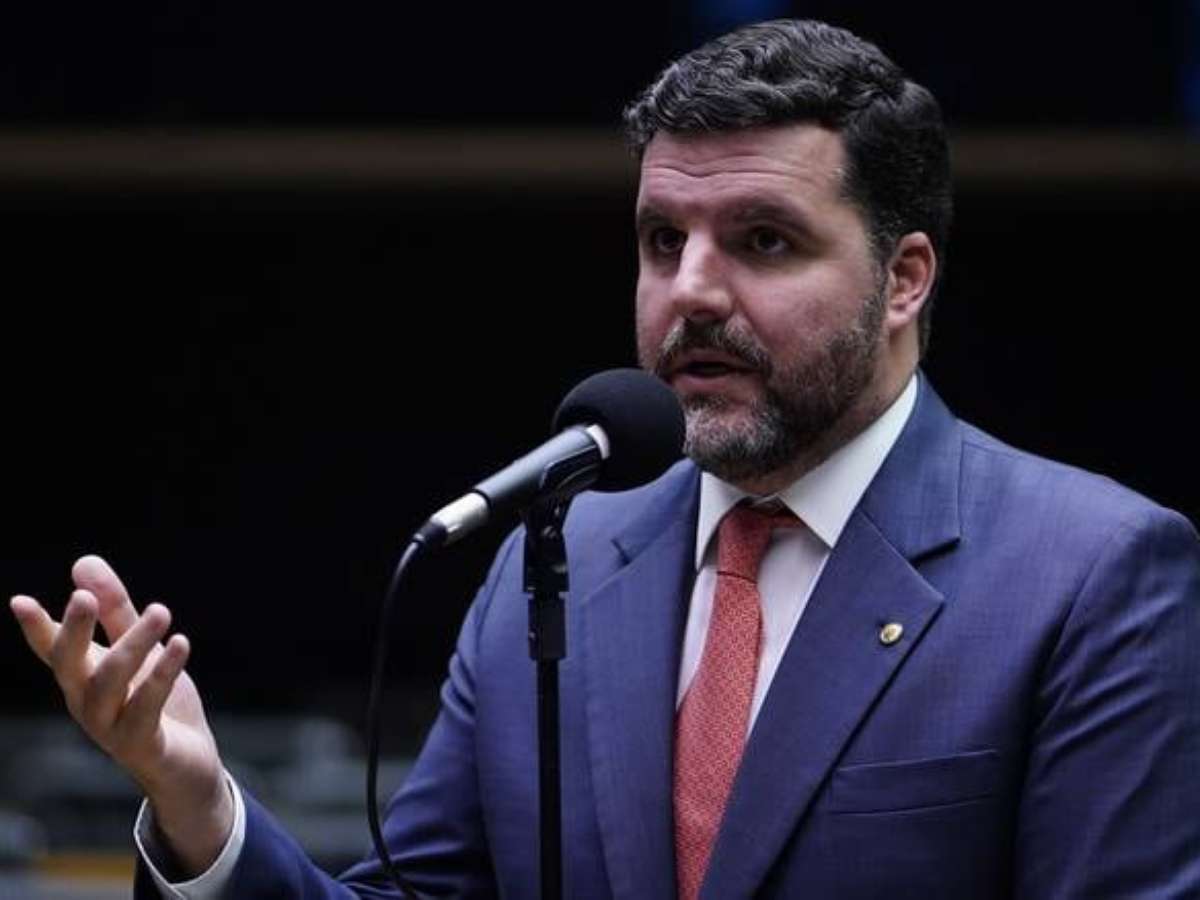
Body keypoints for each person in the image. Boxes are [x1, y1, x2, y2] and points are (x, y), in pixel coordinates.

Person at [11, 18, 1200, 899]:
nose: (692, 292)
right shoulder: (562, 555)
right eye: (662, 240)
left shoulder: (1091, 575)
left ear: (905, 279)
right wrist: (200, 807)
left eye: (763, 241)